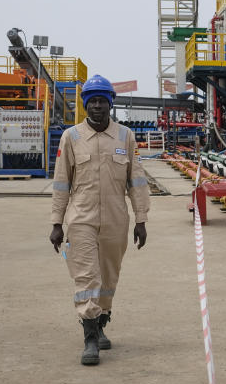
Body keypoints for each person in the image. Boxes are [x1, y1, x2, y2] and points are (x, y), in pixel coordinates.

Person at [49, 74, 150, 365]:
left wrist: (140, 219)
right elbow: (60, 182)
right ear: (84, 105)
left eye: (101, 101)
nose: (96, 106)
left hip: (116, 218)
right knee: (86, 277)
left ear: (110, 105)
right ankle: (89, 337)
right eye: (91, 101)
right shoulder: (72, 137)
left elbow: (137, 180)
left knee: (108, 277)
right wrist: (57, 223)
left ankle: (101, 321)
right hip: (81, 217)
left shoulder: (125, 136)